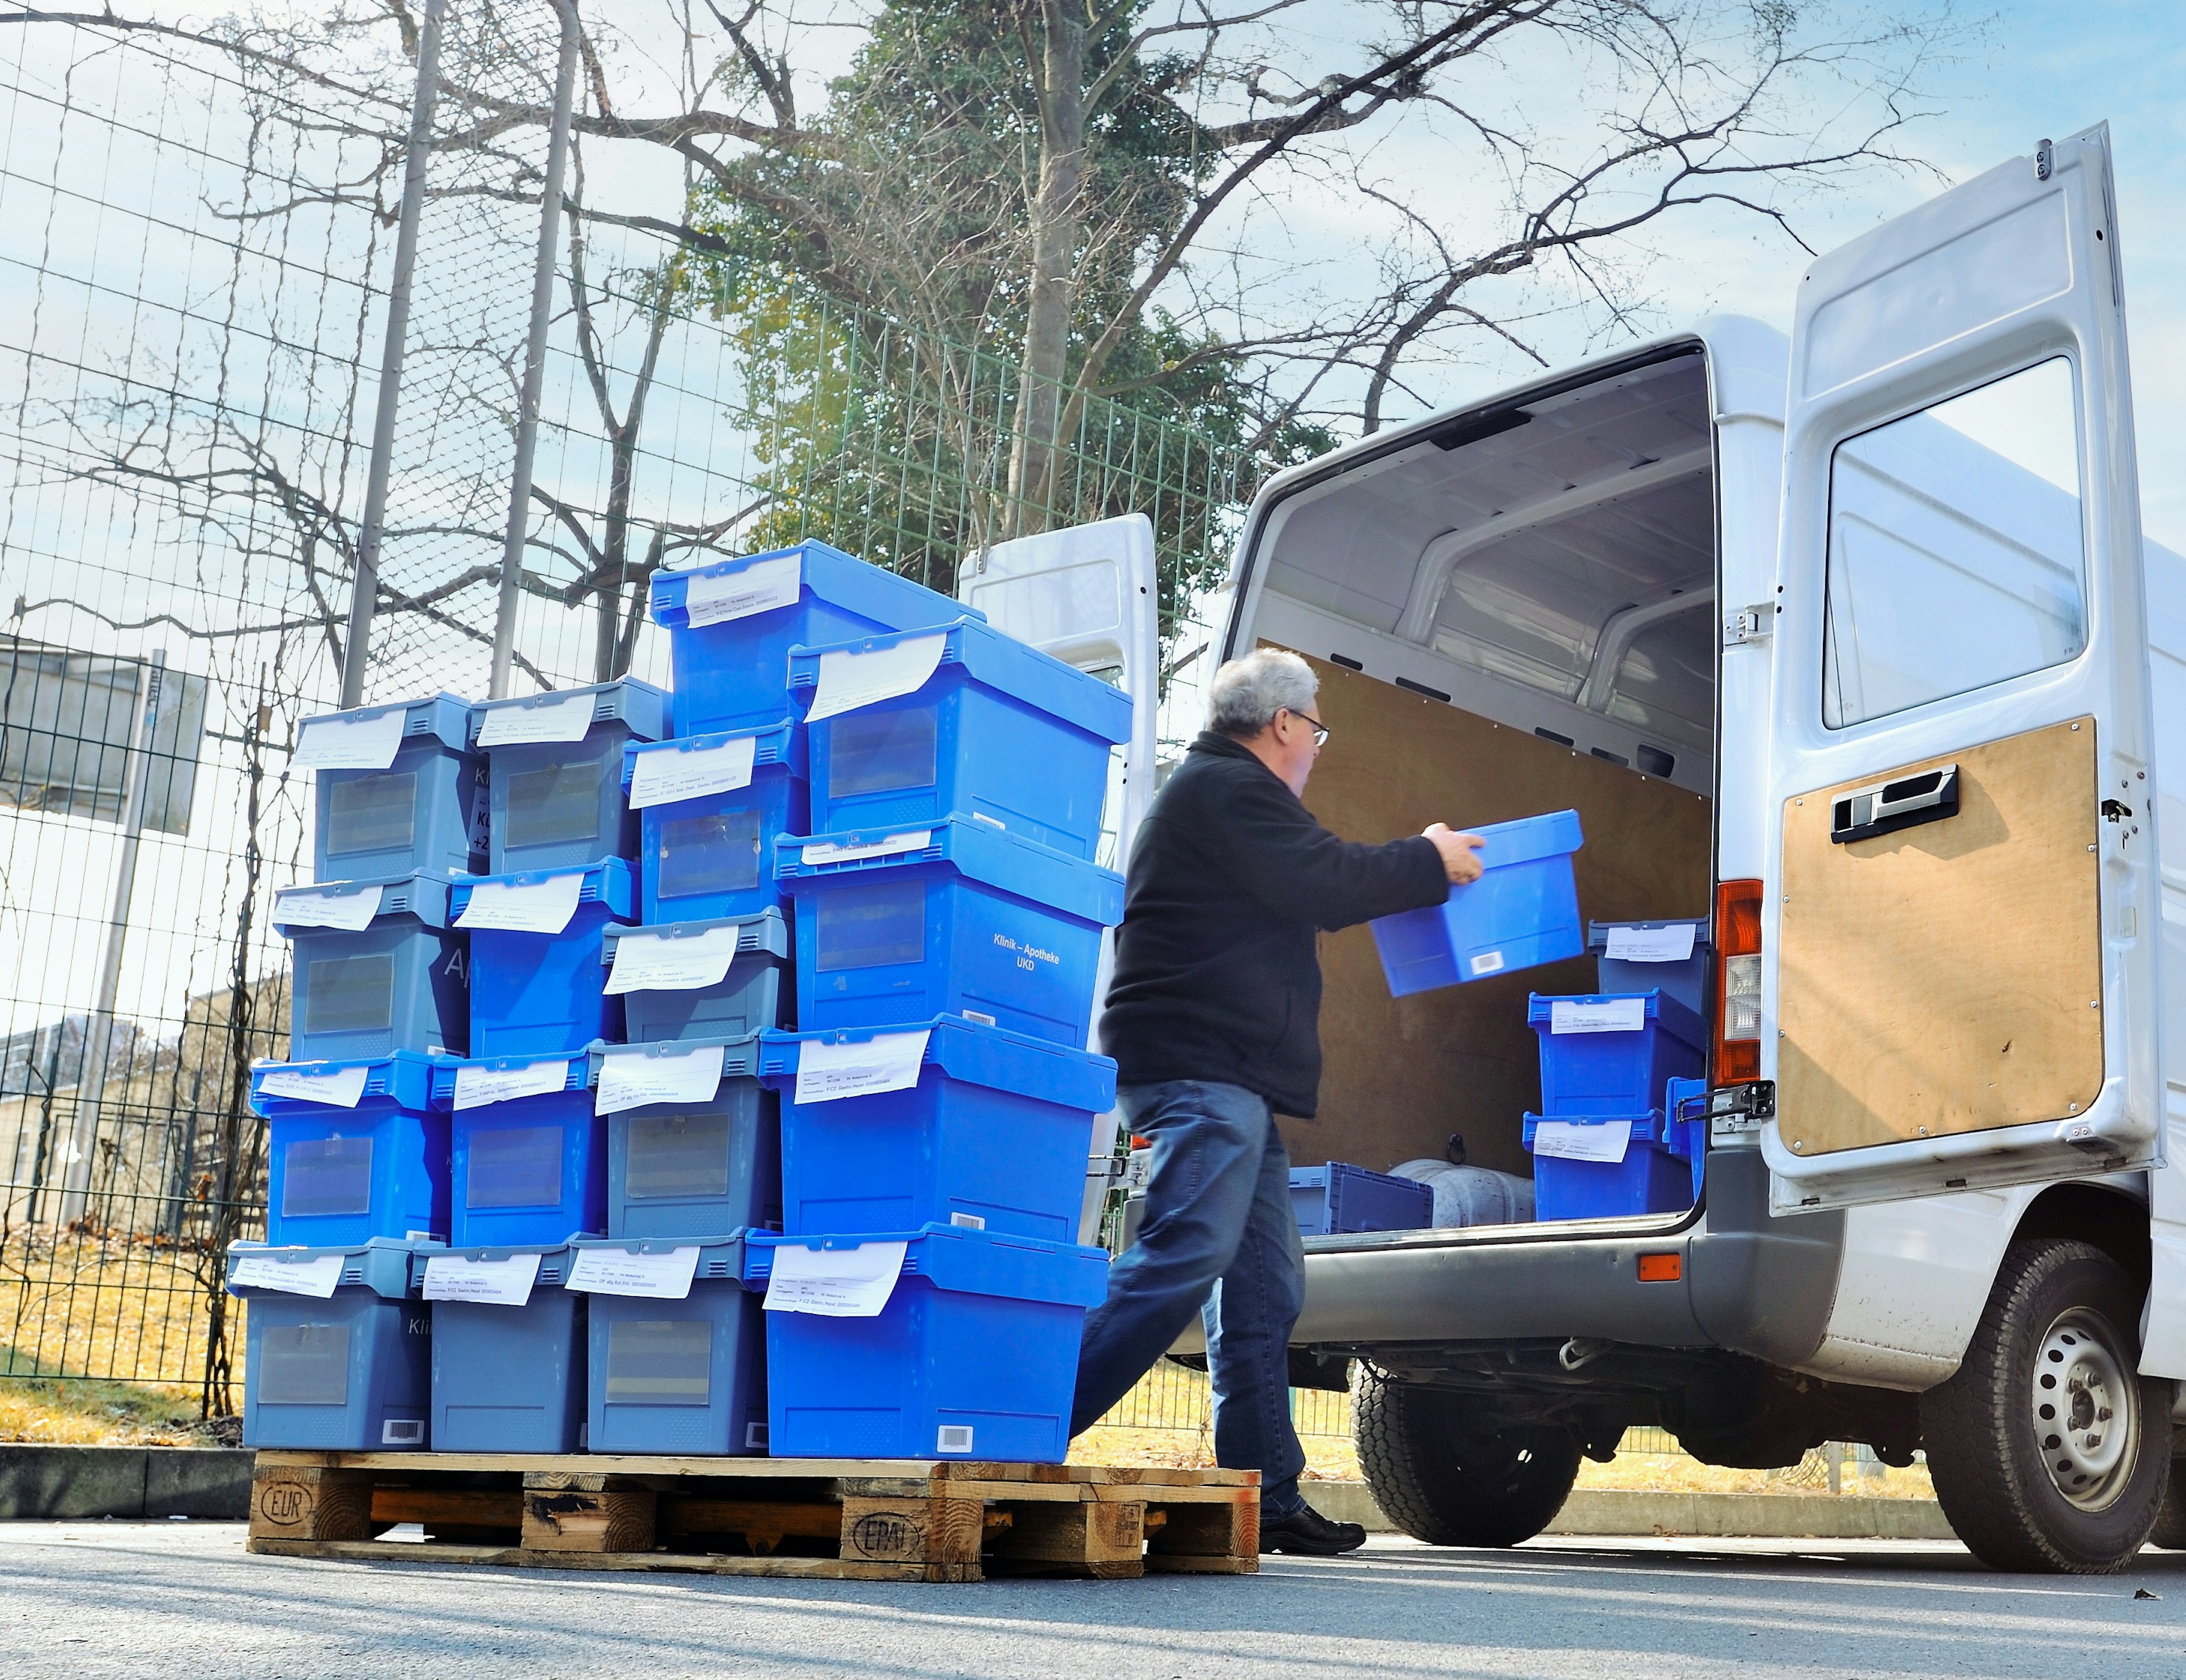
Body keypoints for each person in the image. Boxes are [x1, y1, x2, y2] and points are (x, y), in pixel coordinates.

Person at [1070, 647, 1484, 1555]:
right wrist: (1430, 858)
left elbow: (1307, 880)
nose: (1316, 751)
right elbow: (1328, 879)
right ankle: (1017, 1423)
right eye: (1318, 732)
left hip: (1231, 1081)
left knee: (1262, 1288)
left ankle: (1265, 1492)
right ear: (1285, 724)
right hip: (1199, 1073)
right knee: (1185, 1254)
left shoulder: (1220, 795)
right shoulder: (1228, 789)